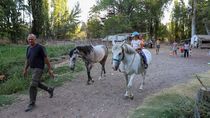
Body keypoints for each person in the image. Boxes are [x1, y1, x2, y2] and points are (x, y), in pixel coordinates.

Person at [23, 33, 55, 112]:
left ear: (35, 39)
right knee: (37, 83)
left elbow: (46, 58)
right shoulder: (28, 48)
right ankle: (49, 89)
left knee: (33, 85)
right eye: (29, 39)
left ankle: (32, 103)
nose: (30, 40)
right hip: (32, 69)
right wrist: (25, 69)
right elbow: (27, 59)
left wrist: (50, 69)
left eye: (32, 39)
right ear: (27, 40)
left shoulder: (40, 47)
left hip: (39, 68)